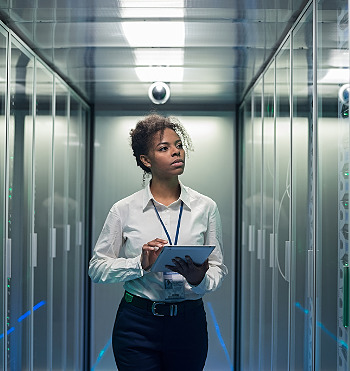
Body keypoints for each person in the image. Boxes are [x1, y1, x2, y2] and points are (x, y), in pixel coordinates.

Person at [88, 114, 228, 371]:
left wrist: (199, 279)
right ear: (146, 160)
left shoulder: (205, 207)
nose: (177, 152)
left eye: (178, 145)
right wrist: (139, 264)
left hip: (188, 322)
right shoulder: (124, 209)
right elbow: (97, 269)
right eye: (164, 148)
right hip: (137, 324)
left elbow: (219, 267)